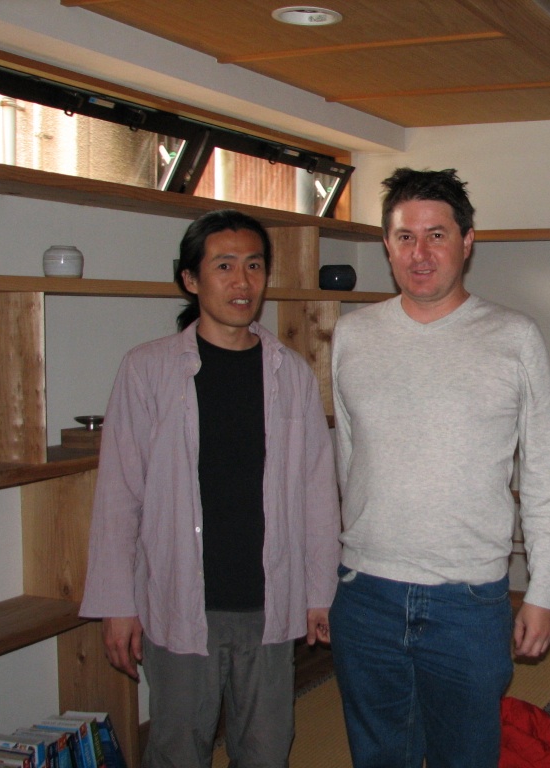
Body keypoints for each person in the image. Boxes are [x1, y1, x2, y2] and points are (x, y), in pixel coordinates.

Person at [79, 209, 340, 767]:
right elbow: (119, 495)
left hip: (269, 599)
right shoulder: (147, 370)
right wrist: (117, 605)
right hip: (178, 600)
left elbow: (318, 490)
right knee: (177, 748)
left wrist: (321, 590)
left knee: (268, 748)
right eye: (224, 266)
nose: (242, 282)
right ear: (190, 279)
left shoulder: (289, 372)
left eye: (254, 266)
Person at [328, 167, 550, 768]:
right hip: (365, 594)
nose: (420, 252)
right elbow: (348, 459)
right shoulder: (354, 335)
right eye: (405, 237)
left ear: (467, 242)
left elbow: (544, 472)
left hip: (467, 600)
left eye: (437, 235)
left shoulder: (514, 337)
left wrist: (542, 591)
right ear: (387, 246)